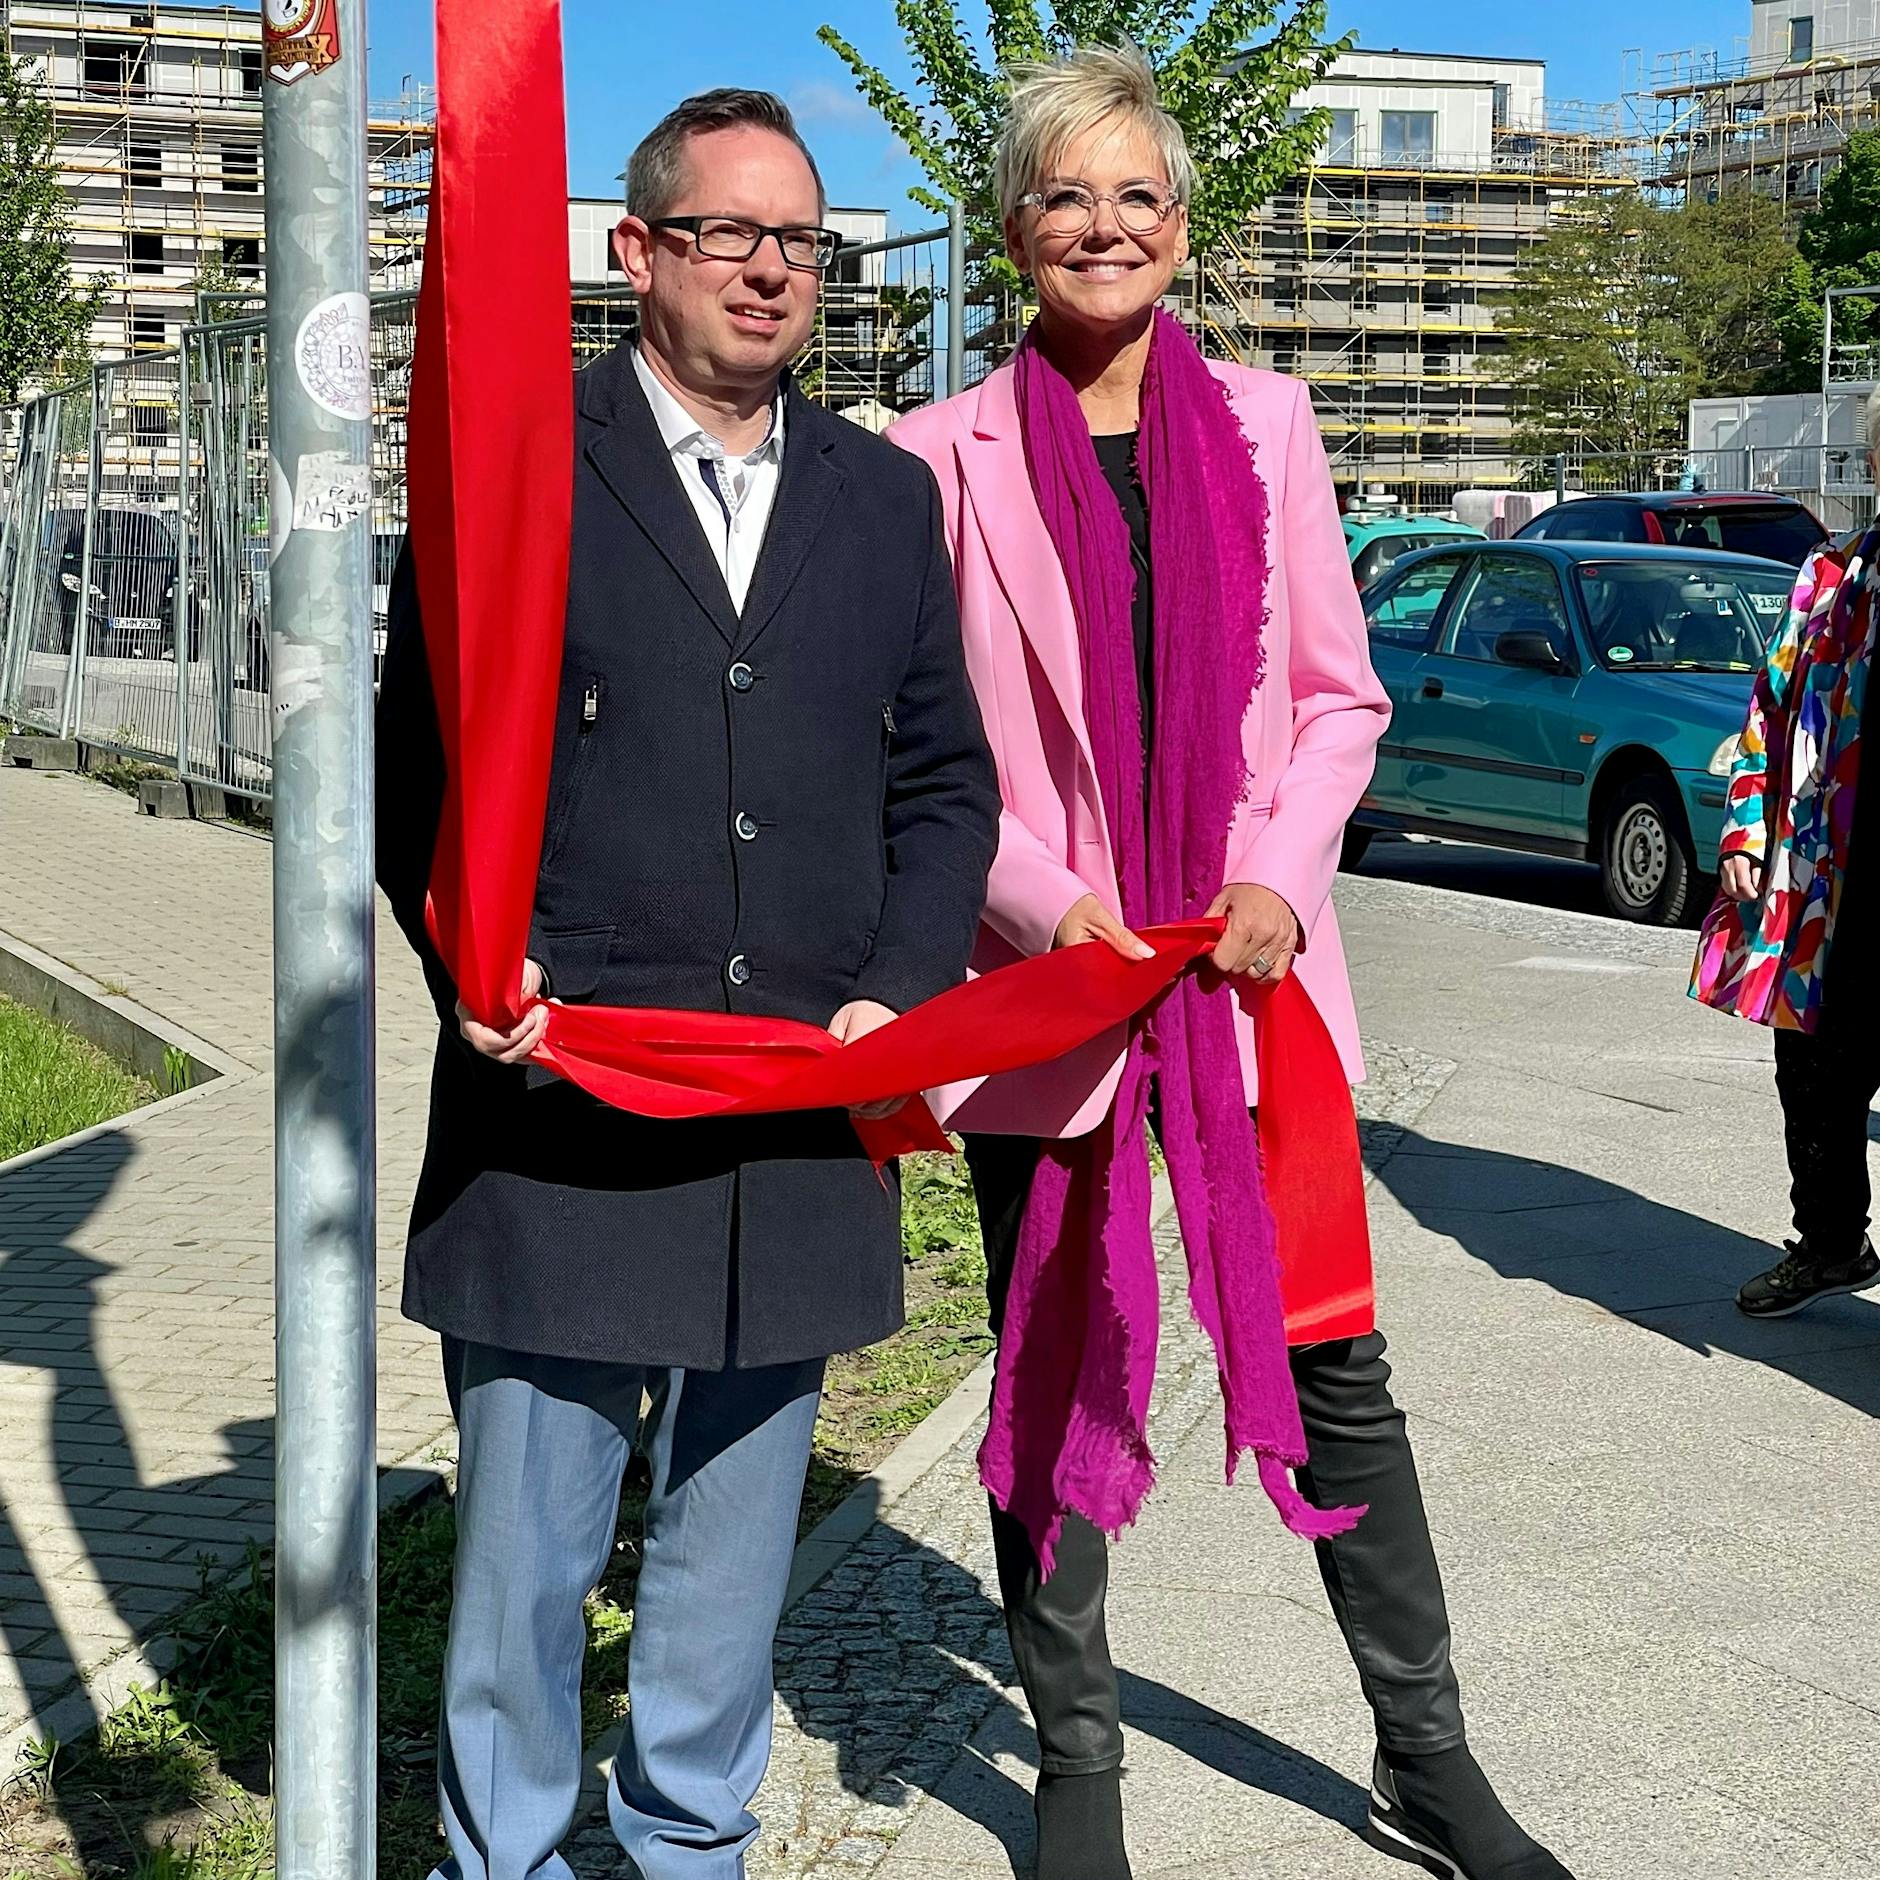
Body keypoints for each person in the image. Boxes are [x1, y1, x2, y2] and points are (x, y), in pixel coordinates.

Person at [890, 46, 1574, 1880]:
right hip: (1053, 993)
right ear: (1012, 225)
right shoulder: (928, 459)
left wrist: (1277, 873)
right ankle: (1079, 1776)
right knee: (1053, 1367)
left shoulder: (1268, 426)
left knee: (1335, 1359)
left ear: (1181, 230)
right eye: (1063, 194)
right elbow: (920, 744)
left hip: (1256, 990)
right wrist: (1042, 906)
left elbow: (1340, 700)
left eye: (1136, 196)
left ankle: (1430, 1760)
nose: (1101, 226)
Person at [375, 89, 999, 1880]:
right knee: (526, 1566)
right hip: (564, 1099)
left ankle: (684, 1852)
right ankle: (501, 1856)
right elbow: (415, 761)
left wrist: (899, 985)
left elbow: (944, 779)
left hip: (793, 1113)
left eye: (801, 242)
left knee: (730, 1564)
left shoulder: (882, 499)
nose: (773, 272)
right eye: (732, 233)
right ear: (634, 250)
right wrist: (468, 959)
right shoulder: (523, 459)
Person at [1697, 389, 1880, 1319]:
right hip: (1828, 880)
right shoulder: (1831, 580)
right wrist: (1745, 830)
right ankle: (1832, 1245)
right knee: (1811, 1069)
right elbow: (1766, 714)